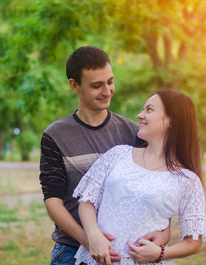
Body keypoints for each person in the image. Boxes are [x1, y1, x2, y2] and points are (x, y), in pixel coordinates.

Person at [39, 46, 171, 265]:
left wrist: (164, 231)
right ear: (74, 85)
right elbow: (53, 201)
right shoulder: (55, 136)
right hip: (72, 252)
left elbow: (155, 186)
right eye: (96, 85)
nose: (107, 91)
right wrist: (90, 240)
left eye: (110, 82)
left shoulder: (134, 132)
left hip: (125, 253)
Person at [73, 89, 206, 265]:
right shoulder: (118, 154)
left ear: (171, 121)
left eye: (149, 110)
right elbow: (86, 201)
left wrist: (160, 253)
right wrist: (93, 235)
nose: (139, 115)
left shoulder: (187, 180)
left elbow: (193, 241)